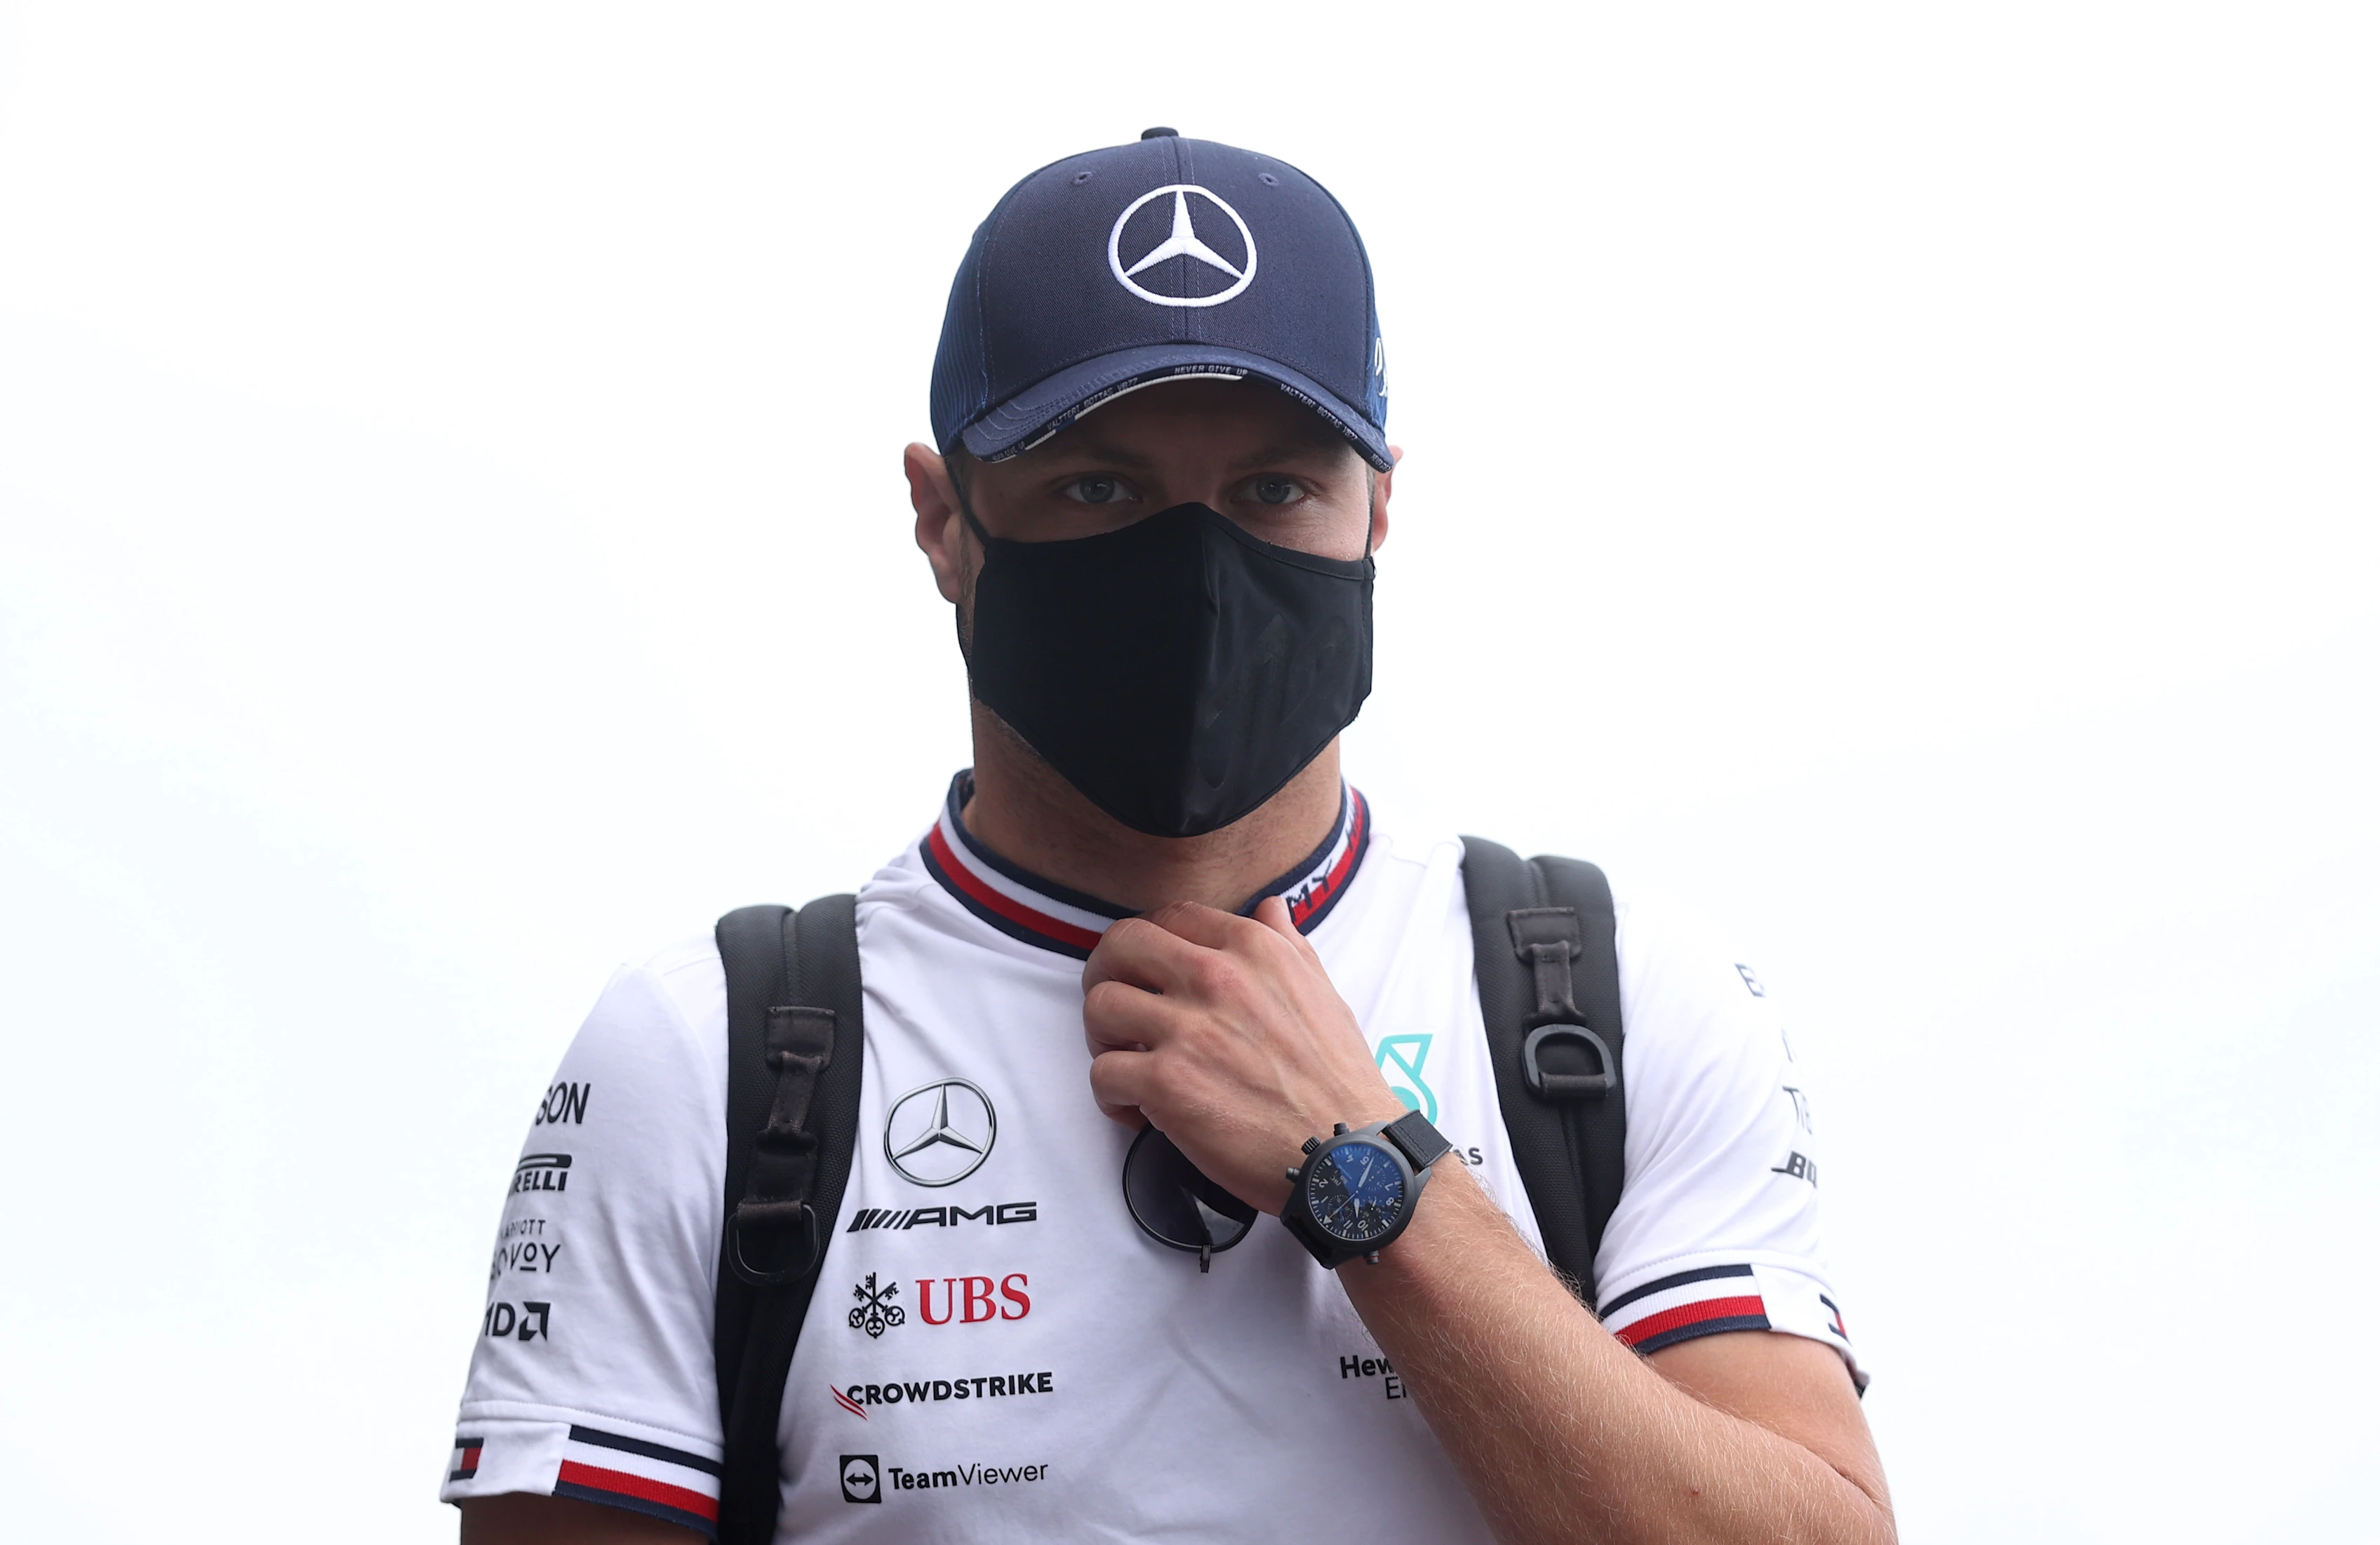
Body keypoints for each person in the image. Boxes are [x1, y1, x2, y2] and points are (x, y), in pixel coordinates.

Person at [446, 128, 1893, 1545]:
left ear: (1377, 507)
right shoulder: (710, 1055)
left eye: (1272, 488)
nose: (1195, 571)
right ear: (944, 520)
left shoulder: (1616, 1004)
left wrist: (1368, 1179)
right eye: (1100, 489)